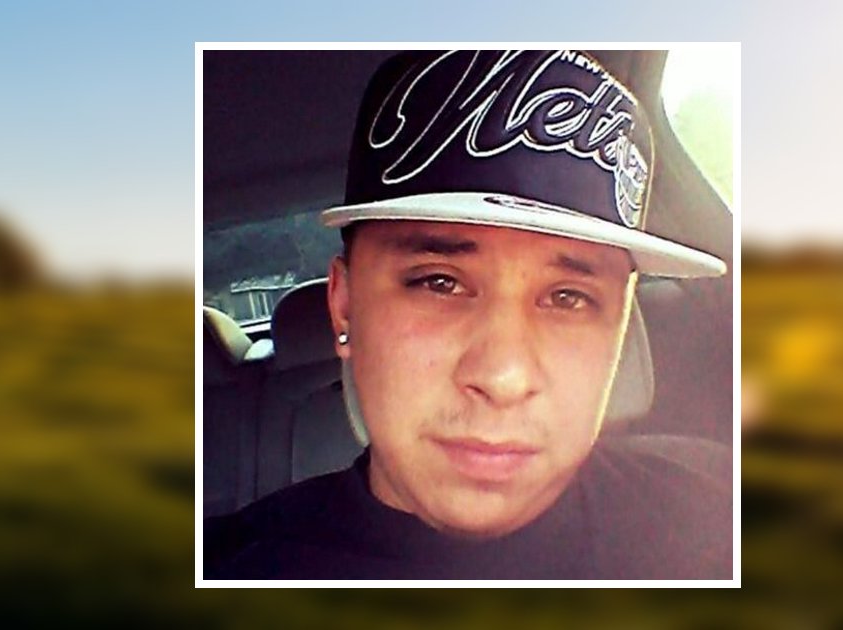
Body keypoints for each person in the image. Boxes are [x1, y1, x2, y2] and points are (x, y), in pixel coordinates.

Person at [214, 49, 732, 580]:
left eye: (568, 297)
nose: (503, 378)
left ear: (621, 325)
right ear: (344, 305)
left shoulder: (718, 514)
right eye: (439, 283)